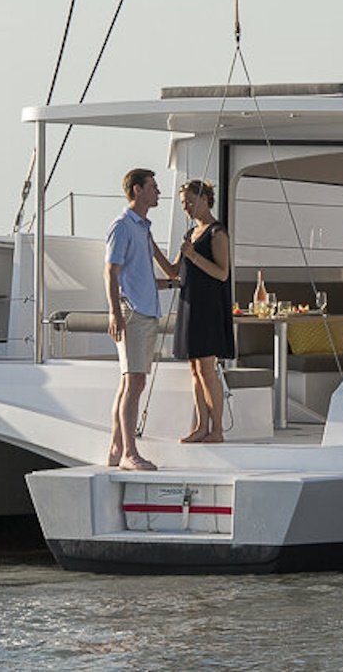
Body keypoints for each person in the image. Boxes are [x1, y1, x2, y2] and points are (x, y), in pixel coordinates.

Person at [105, 167, 179, 471]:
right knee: (134, 382)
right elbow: (111, 271)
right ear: (137, 190)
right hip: (132, 313)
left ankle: (116, 448)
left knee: (130, 383)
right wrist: (114, 312)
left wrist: (182, 265)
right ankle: (129, 454)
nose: (158, 192)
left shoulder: (144, 229)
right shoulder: (123, 226)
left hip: (147, 312)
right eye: (153, 187)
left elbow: (167, 272)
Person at [172, 177, 234, 443]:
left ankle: (217, 429)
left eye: (190, 202)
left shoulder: (216, 233)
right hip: (190, 305)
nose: (186, 207)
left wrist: (194, 256)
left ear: (205, 199)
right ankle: (201, 426)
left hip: (208, 308)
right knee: (195, 369)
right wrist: (150, 246)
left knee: (207, 369)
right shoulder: (190, 235)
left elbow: (222, 273)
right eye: (184, 203)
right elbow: (175, 271)